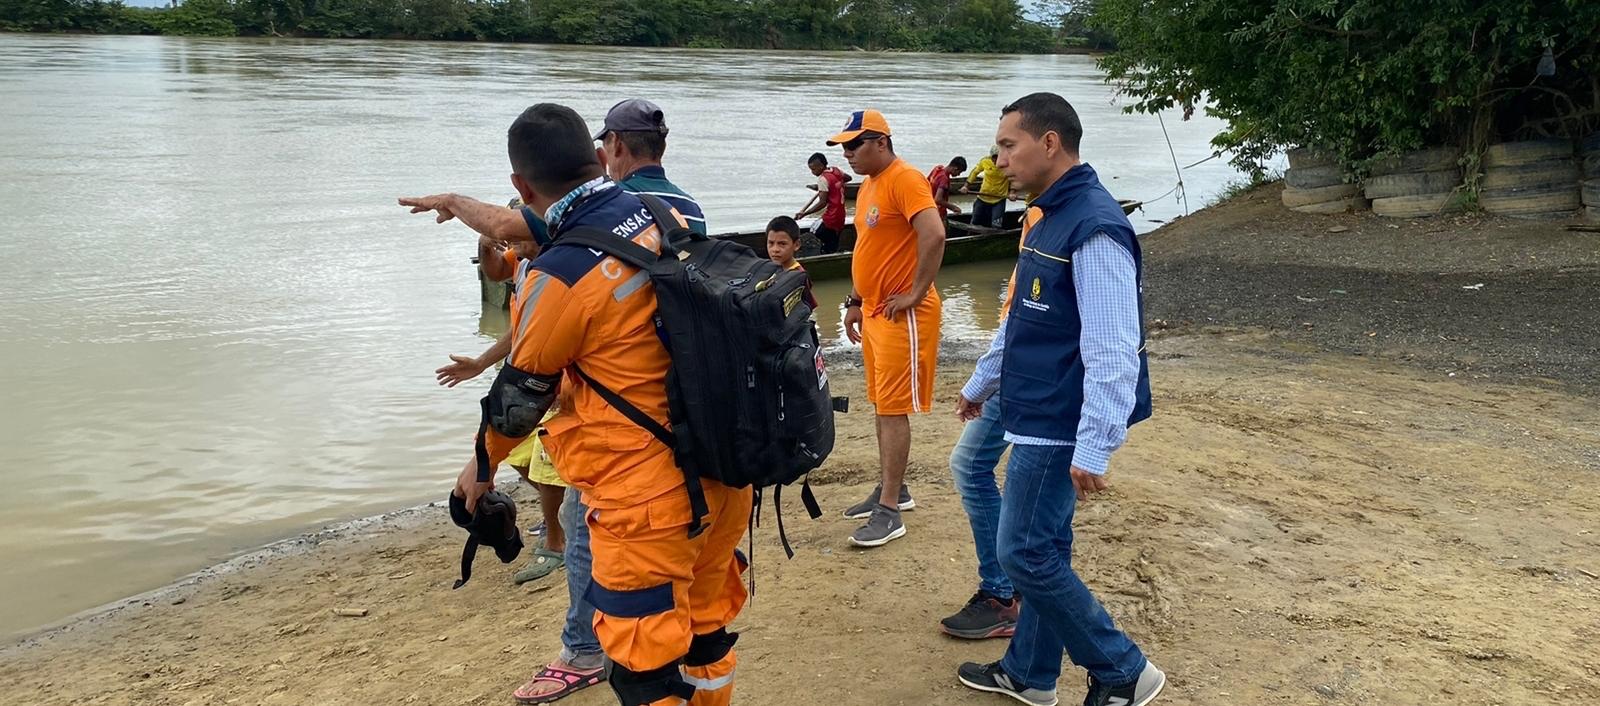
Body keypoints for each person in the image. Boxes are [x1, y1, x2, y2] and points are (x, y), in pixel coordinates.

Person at [463, 103, 750, 706]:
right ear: (598, 158)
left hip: (645, 499)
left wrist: (482, 465)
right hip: (724, 464)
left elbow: (521, 397)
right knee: (705, 633)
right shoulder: (665, 213)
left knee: (643, 666)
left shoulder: (560, 277)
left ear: (521, 186)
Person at [952, 93, 1165, 706]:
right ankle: (1031, 673)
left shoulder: (1094, 227)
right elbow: (1022, 320)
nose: (998, 162)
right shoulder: (1048, 217)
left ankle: (1123, 670)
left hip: (1058, 420)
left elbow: (1113, 348)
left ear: (1049, 143)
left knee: (1022, 553)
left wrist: (1096, 443)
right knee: (1045, 546)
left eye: (1008, 146)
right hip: (1035, 404)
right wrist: (982, 382)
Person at [435, 233, 607, 703]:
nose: (513, 248)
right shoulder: (549, 263)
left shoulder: (561, 273)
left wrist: (483, 459)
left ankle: (584, 649)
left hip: (573, 411)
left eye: (517, 237)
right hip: (569, 404)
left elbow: (537, 371)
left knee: (579, 528)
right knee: (567, 505)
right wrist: (481, 363)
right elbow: (518, 317)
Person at [826, 109, 946, 548]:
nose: (848, 154)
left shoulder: (905, 178)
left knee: (893, 408)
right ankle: (893, 489)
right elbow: (869, 246)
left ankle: (890, 510)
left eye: (854, 145)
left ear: (881, 142)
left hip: (903, 313)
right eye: (844, 147)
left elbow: (934, 234)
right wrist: (856, 301)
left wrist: (916, 292)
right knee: (882, 403)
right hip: (875, 310)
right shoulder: (870, 185)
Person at [398, 98, 707, 244]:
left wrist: (451, 201)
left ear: (615, 145)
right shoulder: (690, 207)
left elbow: (502, 225)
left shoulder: (612, 203)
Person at [795, 152, 851, 254]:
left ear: (821, 166)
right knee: (832, 242)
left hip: (831, 217)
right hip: (841, 216)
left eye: (813, 169)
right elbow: (848, 178)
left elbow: (822, 203)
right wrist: (834, 185)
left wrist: (805, 213)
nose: (812, 172)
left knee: (813, 232)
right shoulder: (836, 170)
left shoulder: (822, 179)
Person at [764, 215, 817, 309]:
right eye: (771, 243)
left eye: (782, 244)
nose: (775, 249)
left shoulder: (798, 276)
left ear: (796, 245)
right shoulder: (768, 268)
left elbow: (807, 307)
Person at [963, 145, 1010, 228]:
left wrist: (1013, 192)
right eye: (993, 158)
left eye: (998, 158)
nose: (996, 160)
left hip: (999, 199)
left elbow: (1014, 178)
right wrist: (966, 186)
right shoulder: (985, 161)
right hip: (983, 197)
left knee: (996, 225)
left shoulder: (1008, 164)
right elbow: (974, 172)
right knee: (974, 222)